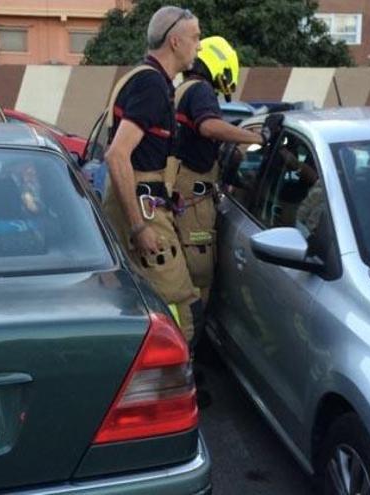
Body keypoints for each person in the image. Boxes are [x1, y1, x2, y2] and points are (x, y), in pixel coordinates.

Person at [102, 6, 203, 343]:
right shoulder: (152, 85)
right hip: (144, 209)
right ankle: (178, 380)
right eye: (195, 38)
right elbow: (117, 154)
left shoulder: (144, 79)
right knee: (180, 303)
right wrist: (139, 227)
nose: (199, 46)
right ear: (175, 42)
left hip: (145, 202)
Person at [172, 36, 265, 304]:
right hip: (193, 199)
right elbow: (208, 126)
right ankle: (192, 336)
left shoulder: (183, 89)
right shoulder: (201, 90)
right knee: (198, 277)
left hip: (181, 192)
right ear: (219, 65)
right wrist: (257, 139)